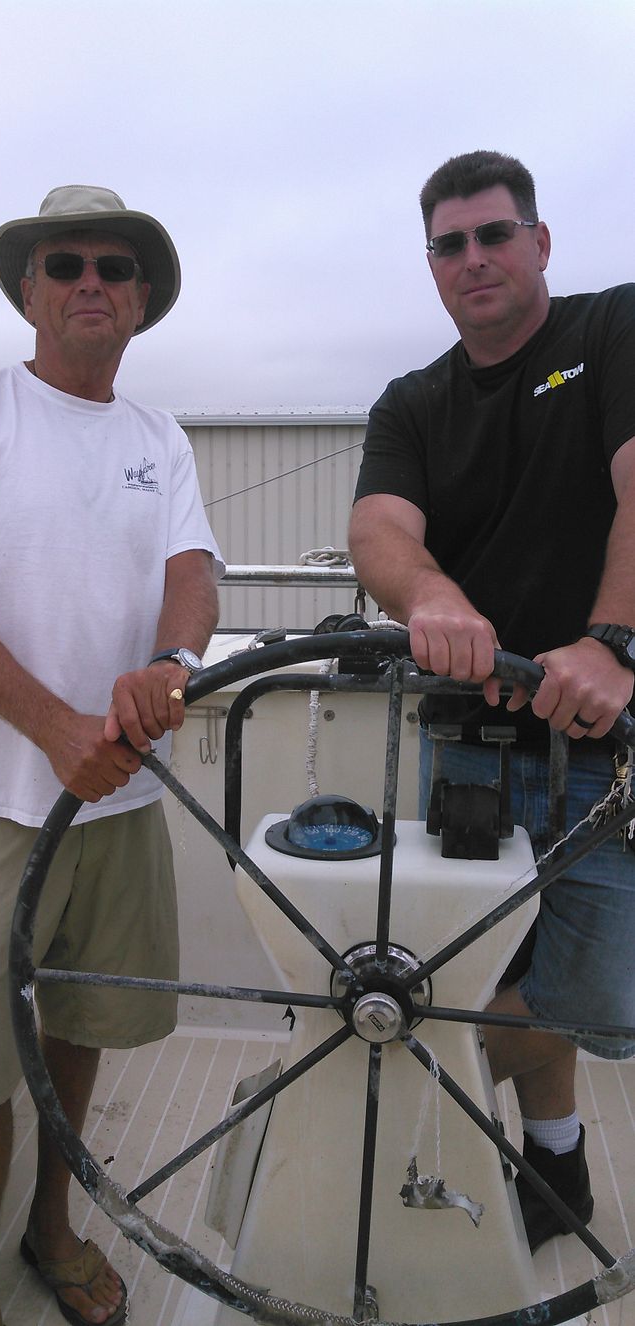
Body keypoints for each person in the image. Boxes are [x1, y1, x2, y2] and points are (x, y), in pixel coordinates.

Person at [0, 185, 223, 1326]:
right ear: (29, 289)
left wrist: (173, 663)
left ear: (140, 302)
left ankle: (51, 1224)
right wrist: (55, 726)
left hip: (118, 801)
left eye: (115, 267)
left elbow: (193, 577)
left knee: (81, 1024)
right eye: (67, 262)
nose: (92, 280)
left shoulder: (158, 437)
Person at [349, 150, 635, 1253]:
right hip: (466, 750)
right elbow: (379, 528)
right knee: (490, 975)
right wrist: (427, 593)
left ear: (538, 242)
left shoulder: (608, 332)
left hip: (599, 745)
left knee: (594, 1000)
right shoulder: (409, 401)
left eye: (492, 234)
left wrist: (610, 642)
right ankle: (553, 1162)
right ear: (430, 265)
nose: (471, 258)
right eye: (448, 244)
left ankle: (454, 1079)